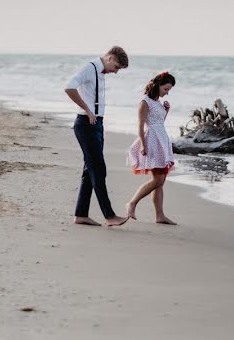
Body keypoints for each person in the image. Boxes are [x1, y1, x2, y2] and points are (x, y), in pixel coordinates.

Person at [64, 46, 130, 227]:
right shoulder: (89, 68)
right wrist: (87, 109)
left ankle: (81, 214)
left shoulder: (100, 73)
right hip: (85, 124)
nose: (115, 72)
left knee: (90, 170)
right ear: (109, 58)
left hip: (97, 125)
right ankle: (109, 216)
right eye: (116, 67)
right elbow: (69, 87)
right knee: (98, 169)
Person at [125, 72, 177, 225]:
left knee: (161, 180)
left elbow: (159, 122)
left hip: (162, 140)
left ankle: (159, 216)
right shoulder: (145, 102)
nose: (167, 93)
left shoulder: (158, 102)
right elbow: (141, 125)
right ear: (158, 85)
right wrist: (142, 144)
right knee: (158, 179)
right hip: (152, 140)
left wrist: (166, 111)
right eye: (166, 89)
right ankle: (132, 203)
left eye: (169, 90)